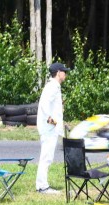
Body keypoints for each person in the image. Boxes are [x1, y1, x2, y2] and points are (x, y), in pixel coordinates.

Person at [36, 62, 70, 194]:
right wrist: (51, 120)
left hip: (50, 127)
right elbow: (44, 104)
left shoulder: (54, 86)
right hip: (49, 128)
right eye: (64, 71)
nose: (65, 74)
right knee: (46, 157)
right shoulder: (52, 87)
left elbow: (51, 105)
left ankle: (42, 185)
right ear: (58, 73)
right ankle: (42, 186)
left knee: (47, 156)